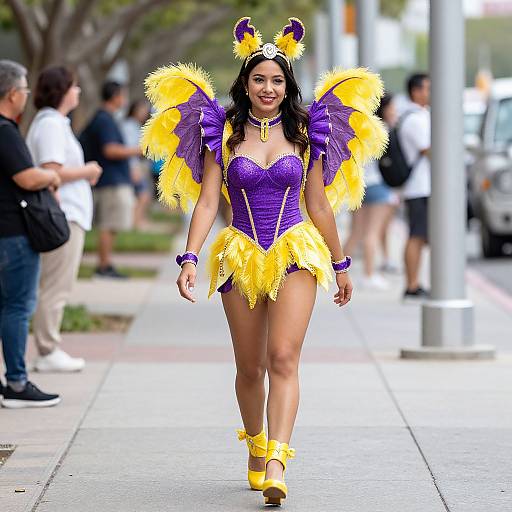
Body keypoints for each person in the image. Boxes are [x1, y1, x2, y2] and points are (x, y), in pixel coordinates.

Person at [142, 17, 386, 506]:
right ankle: (255, 445)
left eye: (277, 80)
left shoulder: (304, 132)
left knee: (283, 359)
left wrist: (340, 264)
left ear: (287, 84)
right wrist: (190, 257)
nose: (269, 88)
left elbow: (317, 204)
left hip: (296, 250)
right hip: (240, 253)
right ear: (245, 83)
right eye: (259, 79)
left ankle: (277, 459)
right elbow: (209, 202)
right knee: (250, 368)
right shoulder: (225, 133)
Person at [26, 66, 102, 373]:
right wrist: (87, 171)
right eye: (74, 87)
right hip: (62, 216)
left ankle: (49, 346)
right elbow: (51, 170)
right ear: (61, 91)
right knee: (55, 285)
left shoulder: (57, 124)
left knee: (57, 283)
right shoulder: (51, 126)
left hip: (69, 215)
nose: (78, 92)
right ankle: (47, 348)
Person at [0, 60, 61, 408]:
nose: (26, 95)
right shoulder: (5, 130)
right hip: (13, 234)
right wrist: (50, 177)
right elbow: (26, 177)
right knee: (17, 307)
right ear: (12, 94)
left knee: (7, 307)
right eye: (24, 89)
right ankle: (17, 383)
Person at [79, 81, 140, 278]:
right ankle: (103, 266)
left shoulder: (106, 118)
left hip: (114, 179)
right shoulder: (104, 119)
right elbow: (110, 149)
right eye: (122, 95)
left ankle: (106, 263)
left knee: (112, 225)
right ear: (115, 96)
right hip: (110, 182)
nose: (124, 99)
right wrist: (140, 150)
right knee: (108, 224)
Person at [343, 93, 399, 290]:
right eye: (392, 107)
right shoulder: (382, 130)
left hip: (359, 185)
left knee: (356, 232)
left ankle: (339, 270)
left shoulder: (359, 129)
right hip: (378, 185)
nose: (395, 111)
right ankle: (369, 274)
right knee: (372, 233)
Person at [398, 73, 431, 301]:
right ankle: (412, 285)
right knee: (417, 236)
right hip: (418, 188)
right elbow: (428, 149)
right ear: (416, 91)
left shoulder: (419, 115)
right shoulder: (414, 119)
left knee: (420, 236)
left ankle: (415, 283)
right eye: (428, 88)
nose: (431, 92)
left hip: (422, 187)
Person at [121, 100, 152, 230]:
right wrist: (133, 168)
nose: (144, 113)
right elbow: (129, 149)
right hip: (132, 166)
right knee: (143, 194)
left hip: (136, 165)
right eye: (141, 110)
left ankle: (137, 221)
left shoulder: (136, 126)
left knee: (143, 195)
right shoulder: (129, 126)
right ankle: (135, 223)